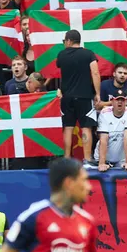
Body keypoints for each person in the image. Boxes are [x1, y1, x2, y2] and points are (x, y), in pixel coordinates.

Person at [0, 157, 95, 252]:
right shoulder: (33, 217)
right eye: (84, 180)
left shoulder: (87, 221)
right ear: (69, 183)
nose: (89, 187)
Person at [55, 30, 99, 165]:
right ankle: (87, 159)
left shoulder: (61, 55)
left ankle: (67, 159)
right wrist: (97, 93)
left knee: (68, 128)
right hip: (85, 96)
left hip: (66, 97)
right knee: (86, 128)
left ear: (68, 40)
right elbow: (95, 72)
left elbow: (59, 71)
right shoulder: (88, 54)